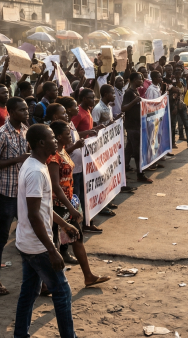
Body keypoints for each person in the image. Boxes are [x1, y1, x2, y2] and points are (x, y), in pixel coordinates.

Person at [14, 124, 79, 338]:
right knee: (62, 292)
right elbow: (34, 215)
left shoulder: (36, 165)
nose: (56, 142)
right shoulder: (35, 171)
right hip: (37, 246)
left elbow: (43, 209)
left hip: (28, 243)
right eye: (52, 138)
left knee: (29, 292)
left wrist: (62, 223)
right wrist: (52, 250)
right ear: (41, 143)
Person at [48, 120, 110, 287]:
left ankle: (88, 275)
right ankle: (46, 283)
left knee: (77, 237)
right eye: (68, 134)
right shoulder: (53, 157)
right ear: (59, 136)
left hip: (68, 202)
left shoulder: (62, 151)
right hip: (57, 205)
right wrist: (70, 207)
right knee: (53, 243)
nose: (71, 136)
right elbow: (55, 185)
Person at [0, 97, 30, 296]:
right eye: (22, 110)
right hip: (6, 192)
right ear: (11, 112)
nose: (26, 113)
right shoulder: (1, 134)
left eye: (26, 110)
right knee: (2, 236)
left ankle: (35, 278)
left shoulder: (25, 130)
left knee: (29, 232)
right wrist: (16, 160)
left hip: (24, 191)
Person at [122, 73, 154, 183]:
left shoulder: (135, 91)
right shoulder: (129, 93)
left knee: (129, 149)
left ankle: (123, 171)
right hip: (132, 126)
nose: (142, 81)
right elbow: (124, 108)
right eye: (140, 79)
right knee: (137, 151)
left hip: (136, 124)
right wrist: (134, 102)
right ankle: (140, 174)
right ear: (134, 80)